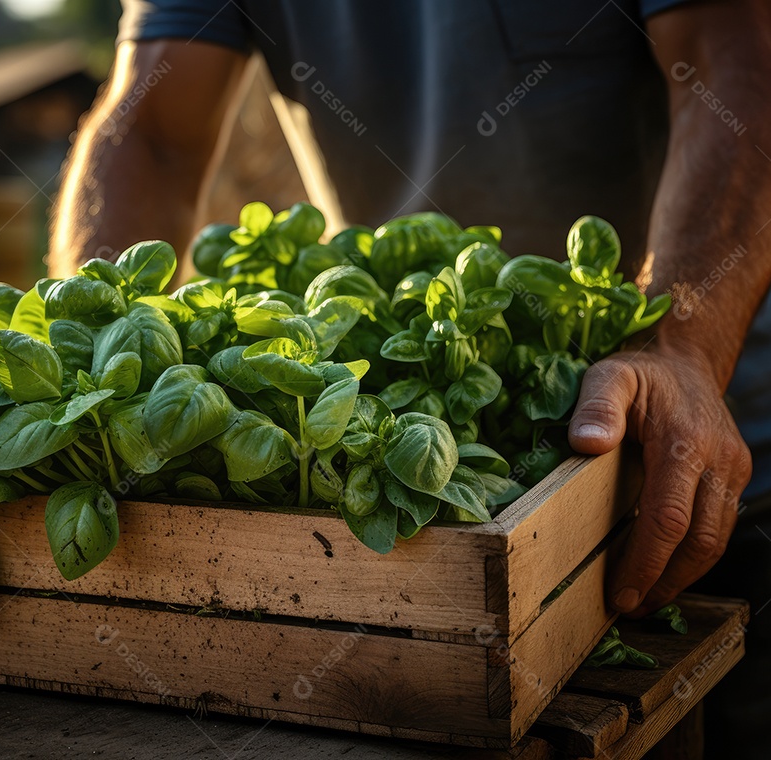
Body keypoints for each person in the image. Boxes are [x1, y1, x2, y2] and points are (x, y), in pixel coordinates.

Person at [50, 2, 771, 754]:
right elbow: (155, 129)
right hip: (408, 428)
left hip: (697, 456)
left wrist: (680, 348)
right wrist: (108, 364)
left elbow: (737, 68)